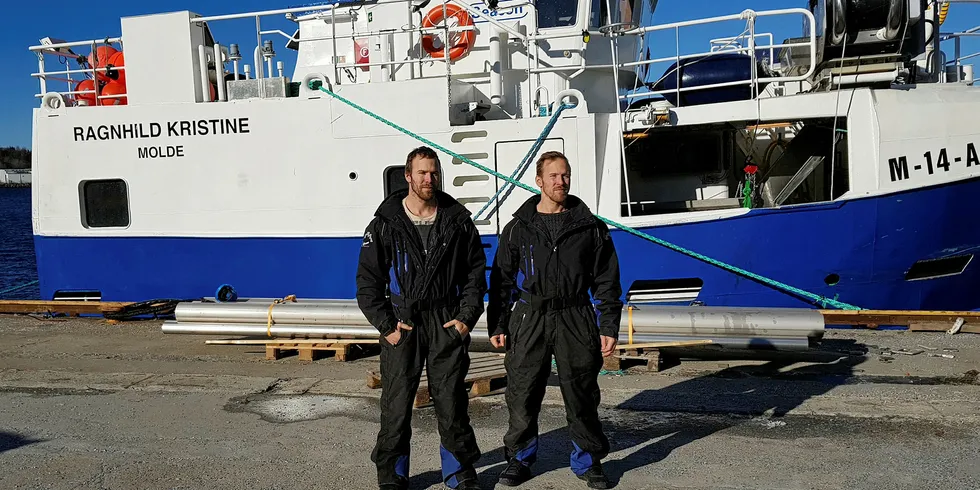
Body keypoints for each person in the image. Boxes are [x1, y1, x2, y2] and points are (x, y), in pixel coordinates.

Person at [487, 151, 623, 489]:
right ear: (539, 181)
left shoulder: (590, 227)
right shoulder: (519, 227)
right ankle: (519, 458)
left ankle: (587, 460)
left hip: (575, 315)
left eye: (565, 175)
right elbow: (501, 278)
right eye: (553, 176)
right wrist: (498, 323)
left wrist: (608, 325)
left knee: (581, 392)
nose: (560, 182)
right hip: (529, 316)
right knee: (522, 391)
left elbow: (607, 279)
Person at [356, 146, 487, 490]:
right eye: (423, 173)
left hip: (445, 318)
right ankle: (392, 472)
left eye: (434, 173)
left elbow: (475, 272)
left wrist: (465, 318)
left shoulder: (457, 221)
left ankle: (458, 469)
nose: (429, 179)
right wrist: (387, 326)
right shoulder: (385, 224)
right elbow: (368, 282)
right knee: (397, 402)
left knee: (451, 400)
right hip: (404, 320)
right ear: (408, 176)